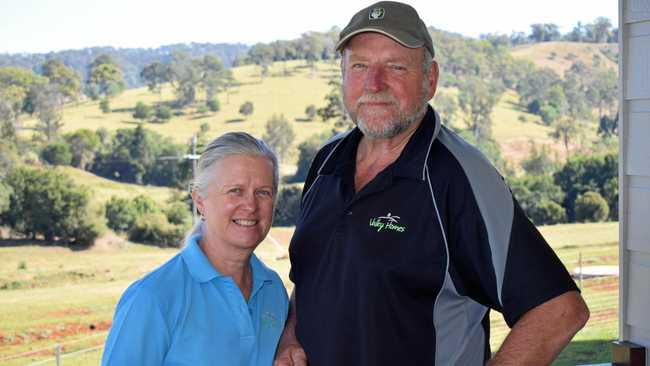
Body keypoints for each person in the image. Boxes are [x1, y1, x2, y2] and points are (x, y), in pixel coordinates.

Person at [274, 2, 589, 365]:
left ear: (430, 80)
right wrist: (290, 334)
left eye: (395, 67)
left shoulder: (458, 176)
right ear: (343, 75)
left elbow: (558, 311)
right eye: (360, 66)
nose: (374, 84)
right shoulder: (327, 162)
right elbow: (314, 274)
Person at [101, 132, 288, 366]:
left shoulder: (273, 291)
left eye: (263, 192)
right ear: (199, 201)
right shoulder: (152, 298)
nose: (250, 205)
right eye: (235, 191)